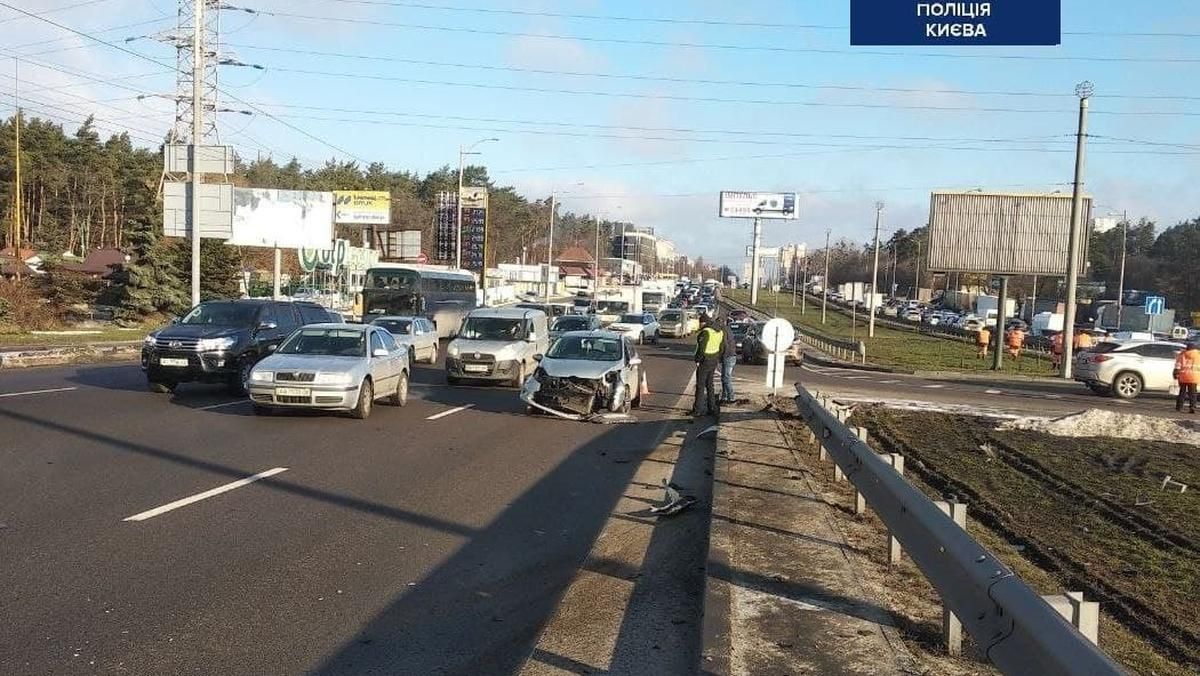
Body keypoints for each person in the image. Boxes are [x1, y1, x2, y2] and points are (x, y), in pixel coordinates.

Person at [692, 313, 725, 419]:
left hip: (704, 361)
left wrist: (697, 360)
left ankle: (697, 410)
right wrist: (717, 357)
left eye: (700, 322)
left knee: (700, 386)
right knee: (710, 385)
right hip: (713, 360)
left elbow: (701, 349)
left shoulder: (706, 332)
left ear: (703, 322)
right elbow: (722, 346)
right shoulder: (719, 331)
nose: (699, 325)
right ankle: (712, 408)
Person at [1174, 342, 1200, 413]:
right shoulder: (1198, 355)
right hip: (1194, 377)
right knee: (1193, 393)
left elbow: (1178, 366)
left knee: (1182, 392)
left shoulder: (1182, 355)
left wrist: (1175, 374)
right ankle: (1192, 407)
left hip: (1183, 376)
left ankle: (1179, 407)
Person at [719, 316, 738, 404]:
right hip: (731, 356)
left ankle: (731, 397)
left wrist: (721, 356)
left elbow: (725, 345)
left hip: (728, 357)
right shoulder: (728, 330)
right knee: (724, 378)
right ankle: (724, 396)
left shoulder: (723, 331)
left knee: (726, 378)